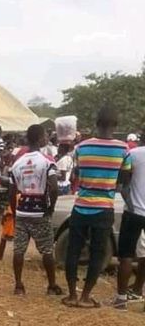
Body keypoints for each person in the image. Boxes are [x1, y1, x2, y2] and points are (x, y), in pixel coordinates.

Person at [63, 106, 130, 308]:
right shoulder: (123, 149)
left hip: (80, 206)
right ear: (115, 125)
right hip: (104, 208)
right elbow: (123, 181)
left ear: (96, 123)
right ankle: (85, 297)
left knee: (73, 250)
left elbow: (76, 175)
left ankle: (71, 295)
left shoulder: (81, 147)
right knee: (97, 253)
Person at [9, 124, 62, 296]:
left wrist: (14, 211)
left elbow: (12, 192)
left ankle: (18, 286)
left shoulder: (17, 163)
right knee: (47, 250)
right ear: (40, 139)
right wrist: (50, 208)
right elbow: (54, 188)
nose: (47, 138)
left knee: (19, 250)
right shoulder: (47, 162)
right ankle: (52, 285)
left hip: (22, 210)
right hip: (40, 211)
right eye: (45, 135)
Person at [114, 135, 145, 310]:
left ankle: (121, 299)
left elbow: (122, 186)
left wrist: (131, 205)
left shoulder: (133, 154)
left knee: (126, 256)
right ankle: (139, 290)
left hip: (134, 212)